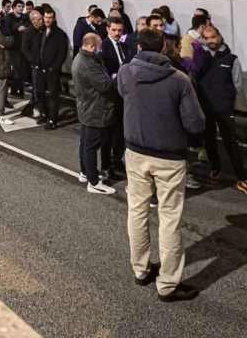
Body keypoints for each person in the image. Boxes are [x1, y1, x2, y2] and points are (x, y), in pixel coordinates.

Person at [118, 29, 205, 302]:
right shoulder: (179, 80)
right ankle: (167, 284)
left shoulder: (125, 72)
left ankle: (141, 269)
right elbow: (195, 124)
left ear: (140, 47)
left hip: (135, 152)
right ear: (165, 47)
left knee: (137, 211)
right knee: (169, 220)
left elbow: (123, 96)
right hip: (169, 158)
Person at [187, 26, 247, 197]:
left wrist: (227, 96)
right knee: (209, 140)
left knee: (231, 143)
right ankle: (215, 167)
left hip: (224, 107)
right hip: (205, 107)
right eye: (207, 38)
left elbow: (237, 83)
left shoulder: (232, 59)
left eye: (213, 37)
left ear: (219, 37)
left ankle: (242, 178)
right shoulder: (200, 57)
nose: (210, 40)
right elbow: (193, 76)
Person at [74, 32, 116, 195]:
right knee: (90, 146)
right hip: (95, 109)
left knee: (85, 143)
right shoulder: (89, 64)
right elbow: (104, 86)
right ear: (91, 46)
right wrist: (116, 78)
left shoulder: (80, 58)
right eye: (99, 46)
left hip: (87, 107)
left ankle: (85, 172)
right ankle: (94, 181)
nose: (100, 50)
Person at [97, 16, 131, 180]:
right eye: (114, 30)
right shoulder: (103, 47)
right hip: (110, 94)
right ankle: (105, 165)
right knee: (108, 132)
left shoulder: (124, 46)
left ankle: (117, 159)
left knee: (122, 131)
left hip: (124, 95)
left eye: (119, 30)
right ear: (108, 30)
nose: (117, 33)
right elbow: (101, 71)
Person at [39, 8, 69, 130]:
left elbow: (62, 54)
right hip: (41, 68)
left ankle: (53, 119)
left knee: (53, 95)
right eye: (46, 17)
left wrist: (53, 68)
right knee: (40, 93)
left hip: (52, 70)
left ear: (54, 18)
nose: (47, 20)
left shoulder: (60, 34)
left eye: (50, 17)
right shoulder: (41, 31)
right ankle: (44, 114)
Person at [20, 9, 45, 119]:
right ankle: (36, 107)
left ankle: (42, 106)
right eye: (39, 19)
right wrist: (33, 61)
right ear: (33, 21)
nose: (42, 21)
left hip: (44, 63)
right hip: (35, 64)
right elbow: (24, 49)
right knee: (36, 87)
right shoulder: (29, 32)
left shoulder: (43, 30)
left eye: (41, 18)